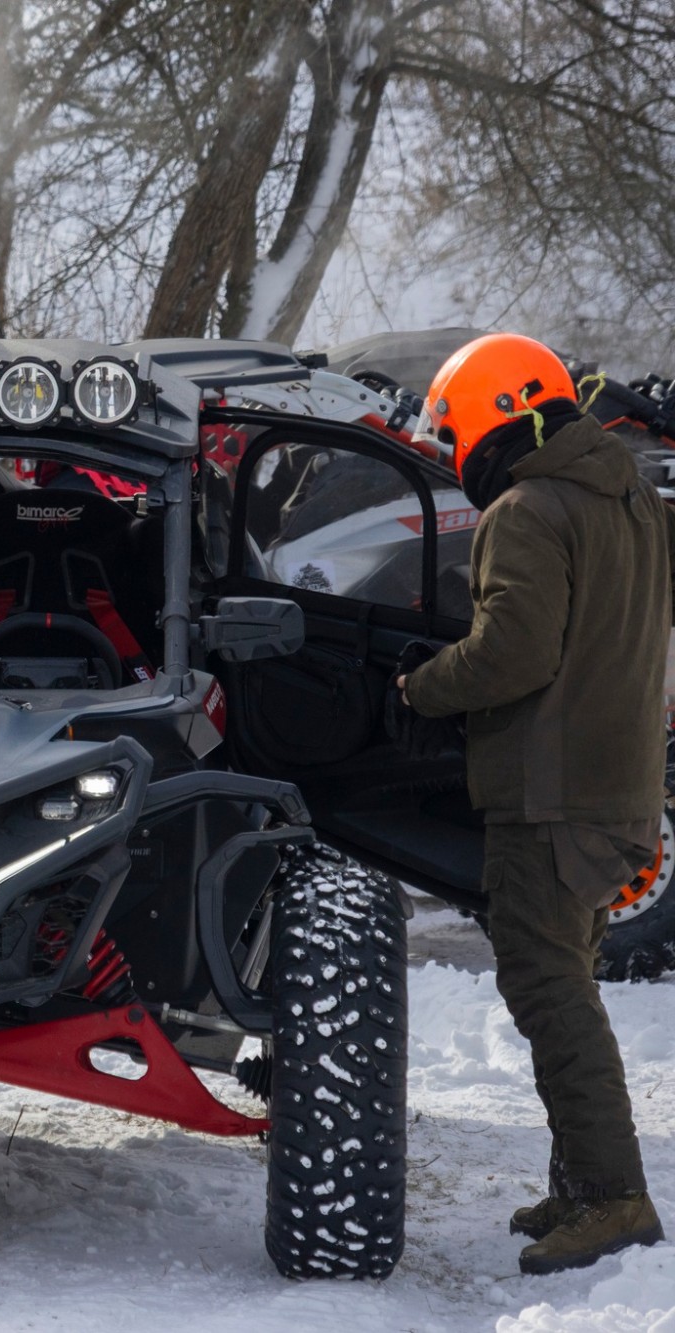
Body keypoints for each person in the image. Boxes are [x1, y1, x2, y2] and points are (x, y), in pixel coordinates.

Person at [396, 332, 668, 1275]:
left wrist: (421, 686)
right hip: (618, 786)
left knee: (551, 993)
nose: (459, 455)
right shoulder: (632, 499)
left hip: (548, 798)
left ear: (497, 421)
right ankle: (582, 1182)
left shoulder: (526, 510)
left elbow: (514, 652)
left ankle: (612, 1198)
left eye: (458, 434)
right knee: (571, 983)